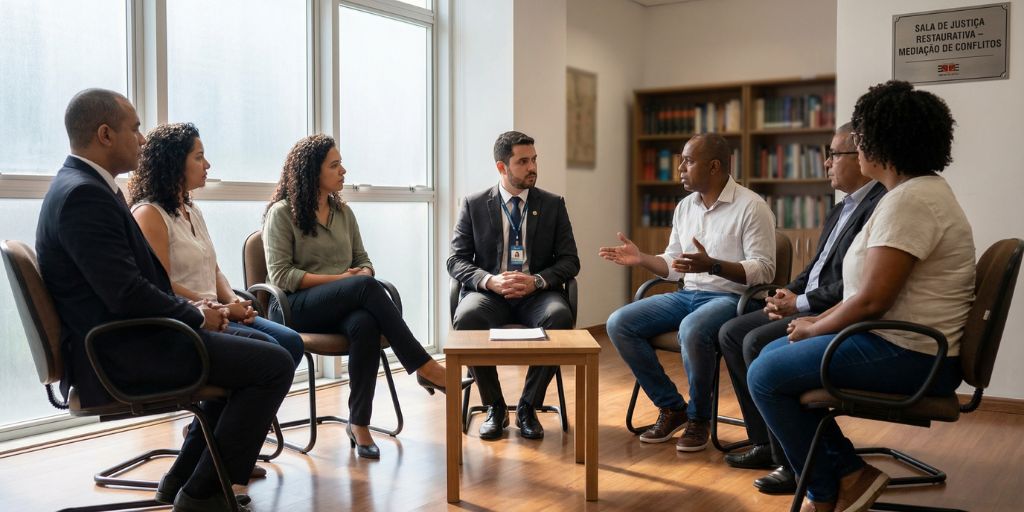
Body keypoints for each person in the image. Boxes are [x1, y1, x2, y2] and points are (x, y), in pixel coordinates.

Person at [36, 88, 293, 512]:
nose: (141, 138)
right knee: (273, 363)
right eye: (134, 128)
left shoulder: (87, 188)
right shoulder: (84, 196)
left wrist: (198, 312)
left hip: (134, 338)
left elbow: (131, 285)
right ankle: (205, 493)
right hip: (124, 352)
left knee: (265, 350)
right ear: (104, 134)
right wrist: (196, 317)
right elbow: (126, 293)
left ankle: (182, 480)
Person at [748, 80, 975, 512]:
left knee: (766, 374)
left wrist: (815, 324)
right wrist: (815, 322)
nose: (854, 145)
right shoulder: (911, 194)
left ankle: (832, 486)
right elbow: (864, 292)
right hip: (904, 344)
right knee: (773, 356)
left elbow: (872, 301)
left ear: (883, 142)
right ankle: (847, 475)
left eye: (862, 137)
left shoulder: (909, 202)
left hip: (912, 354)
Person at [263, 133, 457, 460]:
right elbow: (282, 276)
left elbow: (362, 259)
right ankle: (423, 365)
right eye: (335, 165)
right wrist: (347, 280)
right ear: (313, 172)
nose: (344, 171)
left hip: (343, 305)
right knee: (364, 288)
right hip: (294, 308)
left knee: (365, 323)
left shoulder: (343, 214)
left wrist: (363, 272)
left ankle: (359, 423)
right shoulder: (282, 214)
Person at [717, 123, 886, 493]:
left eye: (834, 154)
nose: (826, 163)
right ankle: (764, 439)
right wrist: (783, 293)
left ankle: (791, 462)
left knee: (756, 342)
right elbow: (814, 270)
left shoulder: (879, 207)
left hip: (833, 311)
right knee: (732, 332)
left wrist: (801, 302)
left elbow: (851, 285)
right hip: (808, 303)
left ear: (861, 158)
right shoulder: (841, 207)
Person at [600, 133, 775, 452]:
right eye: (682, 159)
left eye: (688, 161)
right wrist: (642, 259)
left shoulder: (752, 207)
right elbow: (674, 264)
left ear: (714, 166)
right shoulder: (684, 208)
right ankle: (671, 407)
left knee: (692, 329)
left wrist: (713, 266)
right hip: (687, 295)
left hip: (733, 300)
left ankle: (698, 419)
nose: (680, 167)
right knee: (619, 323)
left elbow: (764, 270)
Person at [129, 122, 304, 368]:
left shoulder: (191, 210)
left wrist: (233, 301)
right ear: (174, 163)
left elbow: (214, 269)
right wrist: (220, 307)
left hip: (218, 310)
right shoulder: (150, 214)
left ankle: (228, 407)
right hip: (190, 317)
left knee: (292, 341)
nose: (207, 165)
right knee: (273, 351)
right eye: (199, 157)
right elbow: (162, 284)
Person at [447, 130, 580, 441]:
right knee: (467, 318)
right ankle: (494, 406)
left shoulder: (553, 204)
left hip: (536, 294)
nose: (532, 167)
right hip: (490, 294)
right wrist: (490, 280)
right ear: (501, 167)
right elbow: (456, 261)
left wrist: (536, 281)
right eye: (523, 161)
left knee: (559, 316)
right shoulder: (474, 204)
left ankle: (527, 407)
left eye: (534, 160)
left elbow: (570, 261)